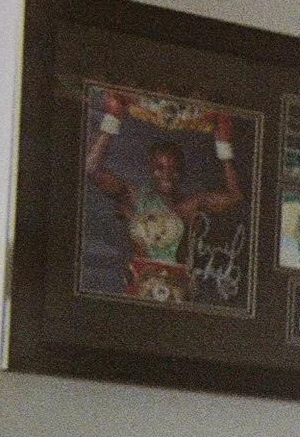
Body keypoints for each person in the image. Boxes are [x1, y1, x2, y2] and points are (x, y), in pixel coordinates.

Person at [84, 92, 243, 301]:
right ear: (150, 168)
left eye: (173, 168)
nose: (167, 173)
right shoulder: (134, 197)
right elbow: (91, 169)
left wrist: (224, 145)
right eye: (160, 167)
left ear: (182, 171)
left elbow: (235, 197)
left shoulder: (190, 206)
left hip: (180, 295)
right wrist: (111, 120)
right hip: (140, 290)